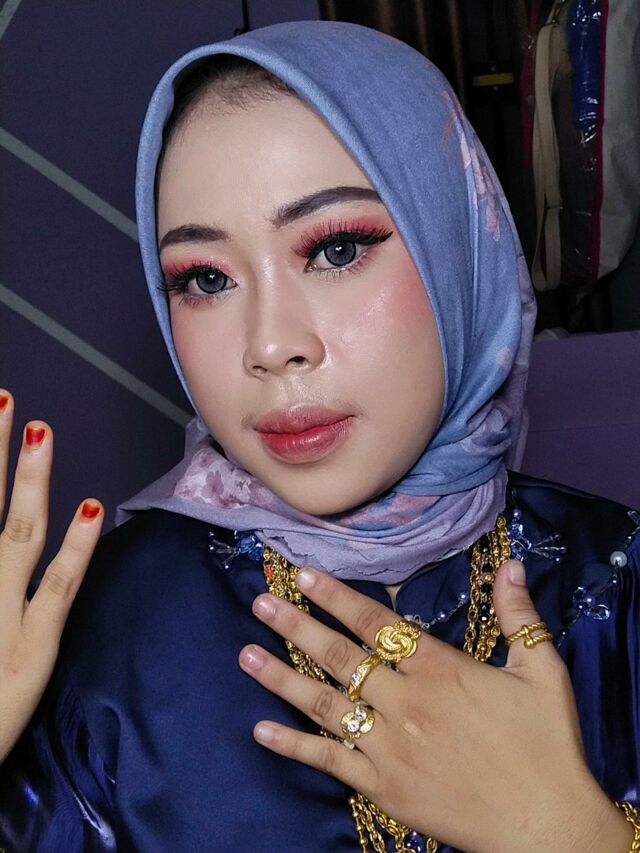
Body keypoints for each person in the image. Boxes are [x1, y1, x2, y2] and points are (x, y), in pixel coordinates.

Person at [0, 19, 638, 853]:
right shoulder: (109, 631)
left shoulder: (619, 580)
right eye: (205, 278)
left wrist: (572, 834)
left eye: (336, 249)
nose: (270, 345)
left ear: (458, 244)